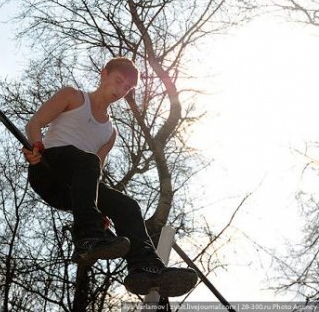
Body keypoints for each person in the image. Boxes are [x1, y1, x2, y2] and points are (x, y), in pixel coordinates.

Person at [22, 57, 198, 297]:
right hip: (49, 168)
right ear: (103, 74)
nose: (120, 90)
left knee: (127, 206)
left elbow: (95, 177)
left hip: (73, 188)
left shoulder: (110, 132)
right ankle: (87, 237)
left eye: (127, 88)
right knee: (87, 161)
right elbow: (35, 122)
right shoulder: (73, 96)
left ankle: (145, 268)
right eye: (117, 81)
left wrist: (99, 209)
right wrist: (35, 149)